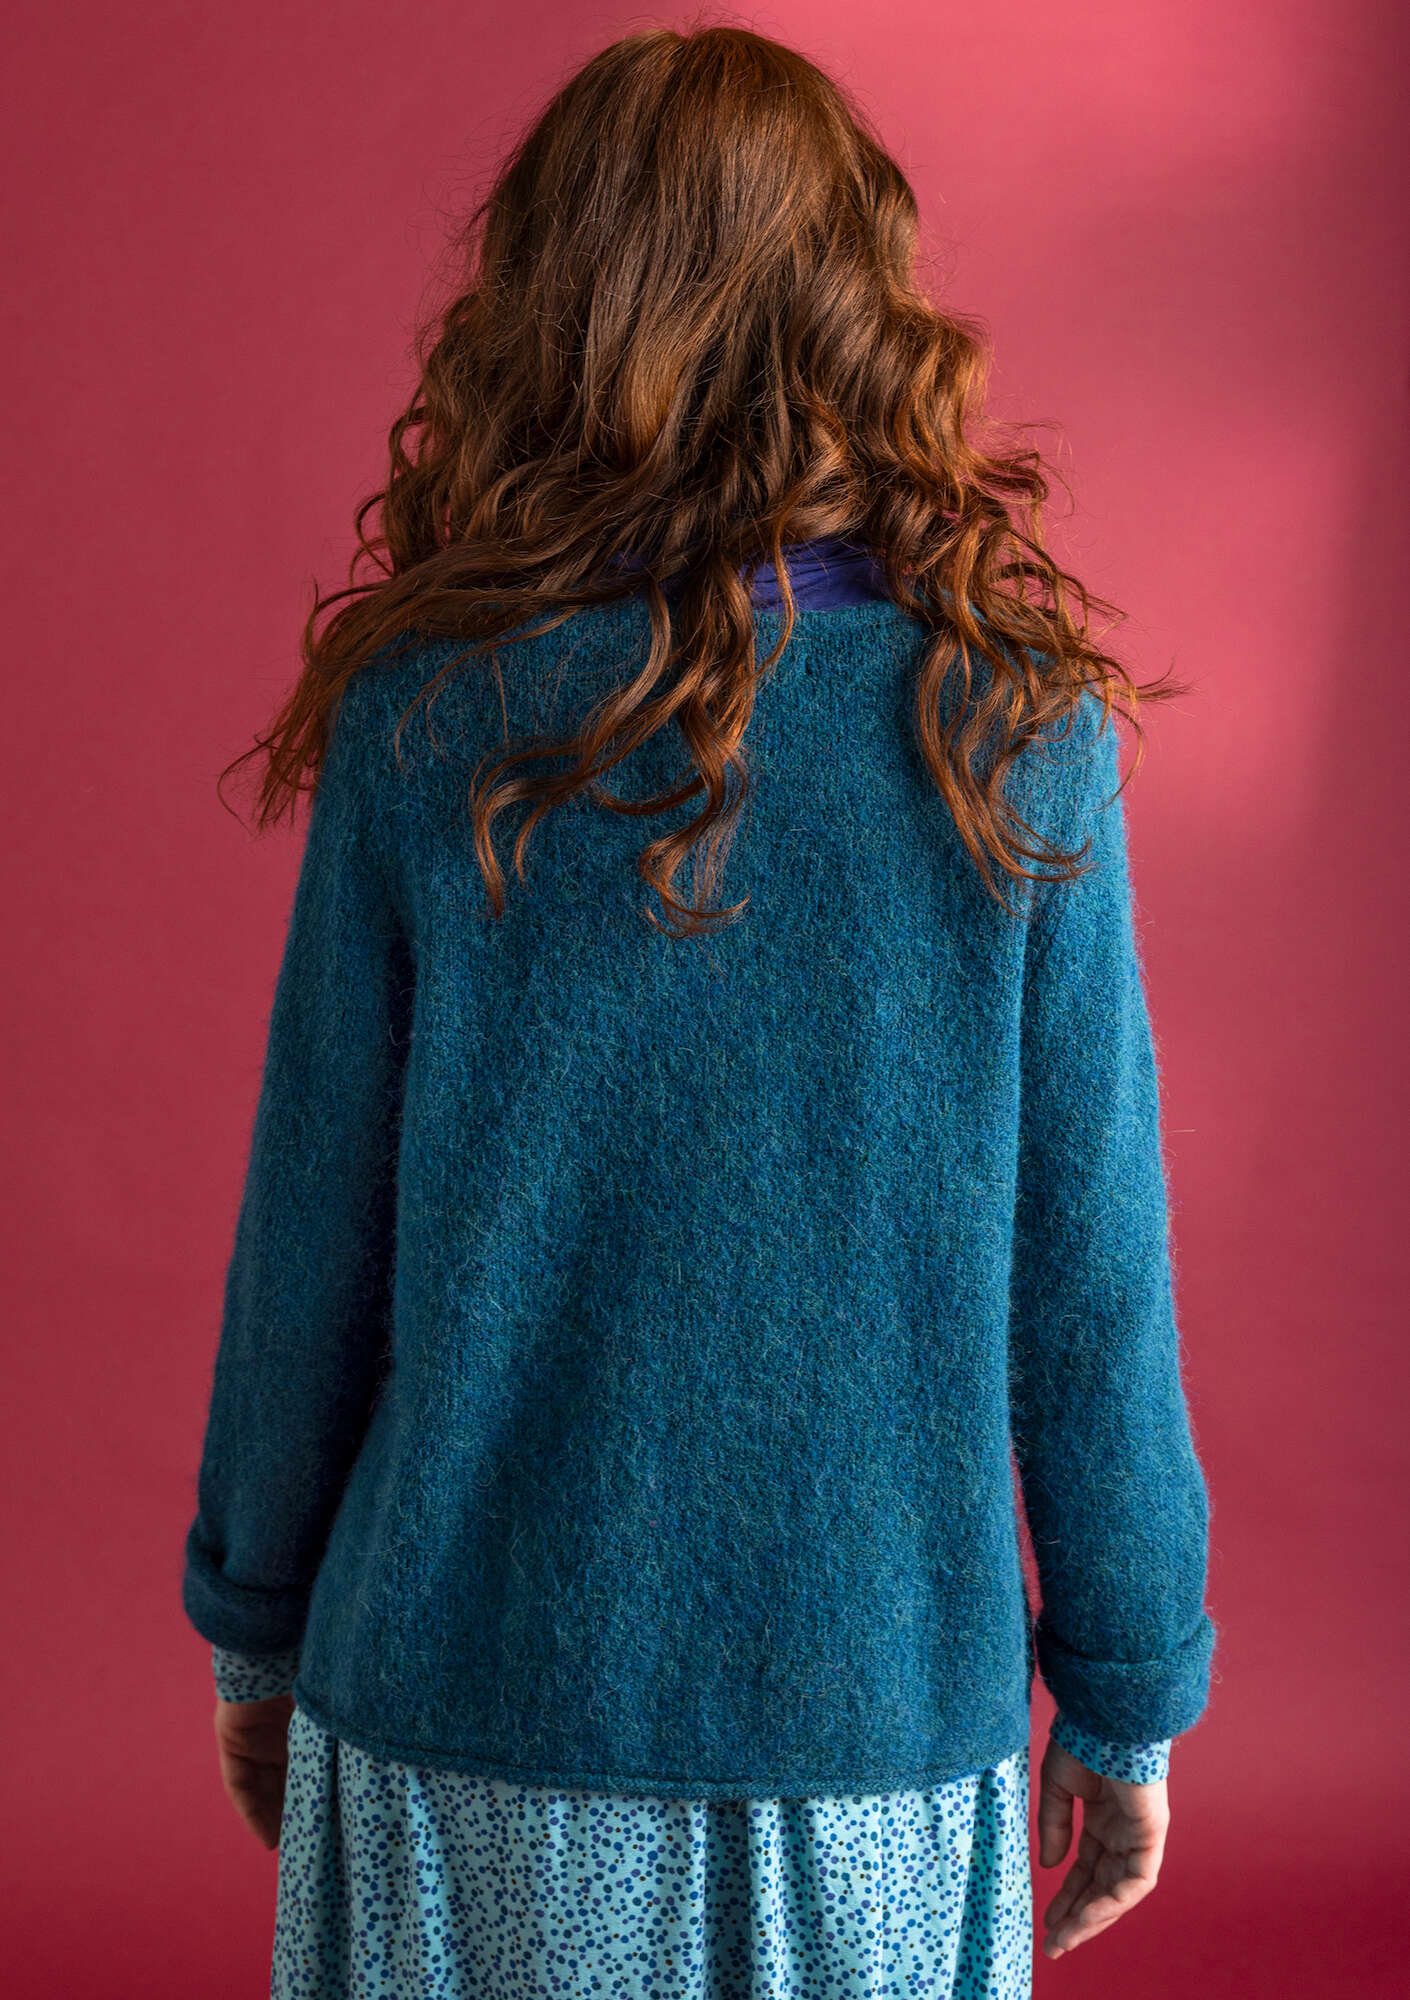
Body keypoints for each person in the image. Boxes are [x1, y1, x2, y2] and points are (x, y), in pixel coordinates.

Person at [180, 25, 1217, 1999]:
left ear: (548, 311)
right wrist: (1130, 1688)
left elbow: (311, 1229)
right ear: (859, 312)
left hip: (462, 1705)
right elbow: (1093, 1279)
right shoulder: (1009, 734)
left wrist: (254, 1624)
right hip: (874, 1735)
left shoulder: (434, 715)